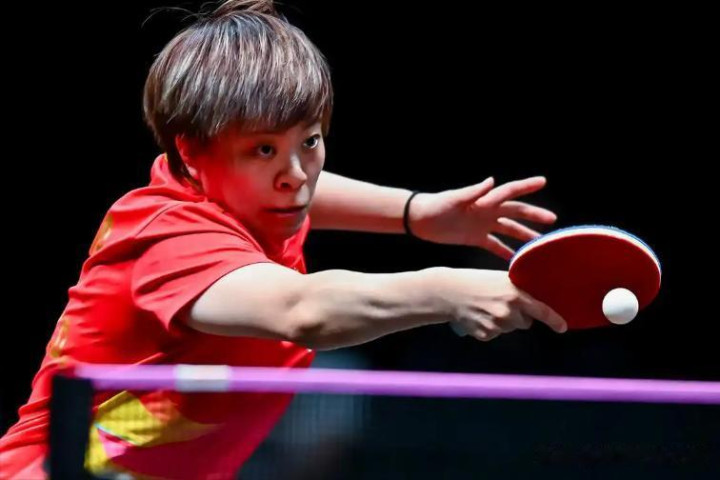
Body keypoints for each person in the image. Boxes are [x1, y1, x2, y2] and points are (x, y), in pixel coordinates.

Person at [0, 1, 566, 478]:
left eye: (311, 141)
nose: (295, 175)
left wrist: (417, 213)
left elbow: (307, 190)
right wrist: (447, 290)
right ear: (191, 152)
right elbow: (301, 311)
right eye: (264, 149)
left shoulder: (254, 198)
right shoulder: (168, 237)